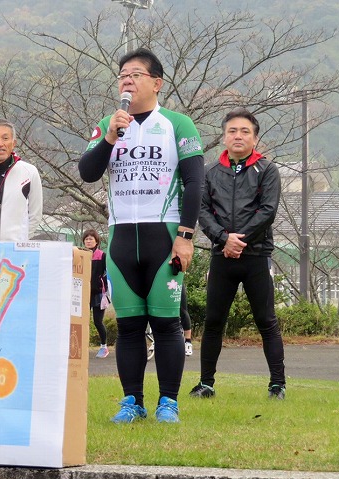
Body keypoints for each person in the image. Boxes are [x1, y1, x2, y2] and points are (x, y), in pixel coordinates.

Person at [78, 48, 205, 423]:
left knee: (166, 323)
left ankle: (169, 402)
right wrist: (109, 138)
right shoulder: (109, 124)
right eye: (122, 75)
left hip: (164, 235)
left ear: (156, 82)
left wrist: (185, 235)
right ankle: (132, 401)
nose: (127, 81)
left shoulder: (178, 124)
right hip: (120, 238)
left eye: (135, 74)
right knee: (129, 326)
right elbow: (87, 172)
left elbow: (195, 183)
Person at [190, 107, 286, 400]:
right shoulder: (210, 172)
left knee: (266, 321)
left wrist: (238, 241)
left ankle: (277, 385)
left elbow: (267, 211)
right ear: (224, 137)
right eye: (232, 131)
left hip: (256, 255)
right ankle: (206, 383)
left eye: (245, 131)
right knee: (213, 322)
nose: (238, 136)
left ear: (255, 138)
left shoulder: (267, 170)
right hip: (222, 256)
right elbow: (202, 211)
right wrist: (223, 239)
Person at [82, 228, 110, 359]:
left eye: (91, 239)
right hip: (83, 293)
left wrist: (103, 284)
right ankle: (82, 346)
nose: (88, 241)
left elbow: (108, 272)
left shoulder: (102, 255)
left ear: (96, 241)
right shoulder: (81, 255)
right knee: (82, 321)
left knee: (98, 321)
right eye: (86, 239)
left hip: (99, 294)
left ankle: (104, 347)